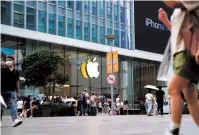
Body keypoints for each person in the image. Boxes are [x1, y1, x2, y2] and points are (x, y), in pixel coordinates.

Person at [159, 1, 199, 135]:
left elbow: (172, 2)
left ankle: (174, 131)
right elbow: (177, 31)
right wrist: (165, 21)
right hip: (179, 53)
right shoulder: (179, 10)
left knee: (172, 89)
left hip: (188, 52)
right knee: (190, 96)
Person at [1, 56, 23, 127]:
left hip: (12, 91)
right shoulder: (3, 69)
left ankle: (15, 120)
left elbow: (17, 82)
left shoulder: (16, 71)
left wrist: (18, 92)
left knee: (13, 105)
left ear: (13, 61)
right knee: (1, 106)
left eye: (10, 60)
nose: (8, 61)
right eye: (7, 60)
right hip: (2, 91)